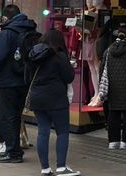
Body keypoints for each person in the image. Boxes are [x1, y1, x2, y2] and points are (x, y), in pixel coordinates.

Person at [25, 29, 79, 176]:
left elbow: (26, 79)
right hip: (56, 99)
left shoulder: (32, 55)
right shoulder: (59, 55)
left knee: (43, 131)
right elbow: (68, 77)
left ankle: (45, 168)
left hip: (37, 98)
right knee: (62, 132)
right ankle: (61, 167)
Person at [0, 4, 37, 163]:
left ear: (6, 17)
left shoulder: (8, 32)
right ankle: (14, 149)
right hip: (24, 79)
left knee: (8, 116)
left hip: (7, 80)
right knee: (16, 115)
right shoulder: (30, 29)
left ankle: (12, 152)